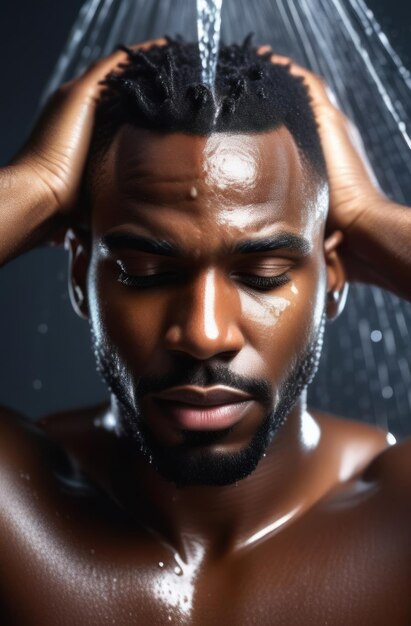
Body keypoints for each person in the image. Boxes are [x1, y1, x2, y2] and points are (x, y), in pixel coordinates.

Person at [0, 37, 410, 625]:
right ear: (78, 275)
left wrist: (369, 214)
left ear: (334, 275)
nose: (204, 333)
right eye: (146, 273)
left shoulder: (400, 514)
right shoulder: (17, 502)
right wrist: (37, 184)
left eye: (263, 275)